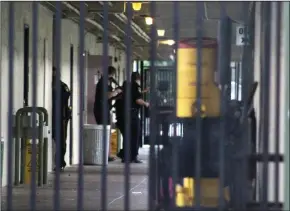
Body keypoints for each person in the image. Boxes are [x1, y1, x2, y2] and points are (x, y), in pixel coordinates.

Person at [116, 72, 149, 163]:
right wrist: (146, 103)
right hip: (132, 115)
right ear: (138, 79)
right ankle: (134, 156)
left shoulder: (126, 86)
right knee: (135, 136)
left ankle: (125, 156)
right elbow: (137, 100)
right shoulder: (135, 86)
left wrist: (142, 92)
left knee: (127, 136)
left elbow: (132, 95)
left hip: (123, 115)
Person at [94, 66, 122, 162]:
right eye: (112, 75)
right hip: (101, 110)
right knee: (104, 133)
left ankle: (106, 155)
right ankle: (104, 155)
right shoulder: (102, 83)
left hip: (105, 109)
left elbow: (109, 97)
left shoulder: (106, 83)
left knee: (107, 132)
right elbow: (106, 95)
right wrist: (116, 92)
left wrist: (117, 97)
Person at [52, 67, 72, 171]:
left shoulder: (63, 87)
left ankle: (60, 163)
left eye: (55, 75)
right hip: (52, 116)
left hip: (61, 117)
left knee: (61, 141)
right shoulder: (51, 86)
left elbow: (66, 102)